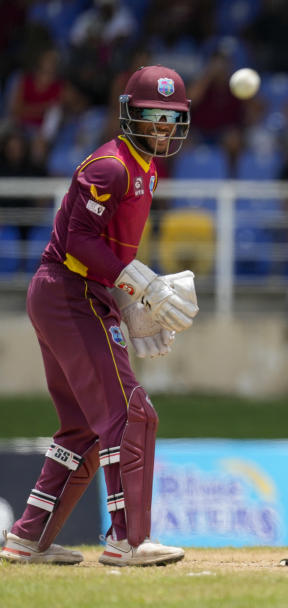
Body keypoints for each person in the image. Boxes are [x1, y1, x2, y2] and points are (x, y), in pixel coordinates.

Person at [0, 66, 199, 567]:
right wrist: (141, 284)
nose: (163, 128)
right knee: (131, 413)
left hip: (74, 293)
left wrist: (128, 299)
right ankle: (128, 541)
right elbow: (77, 243)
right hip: (70, 292)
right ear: (130, 113)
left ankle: (27, 538)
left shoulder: (146, 167)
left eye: (172, 119)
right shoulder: (111, 167)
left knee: (83, 428)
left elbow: (104, 246)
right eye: (154, 116)